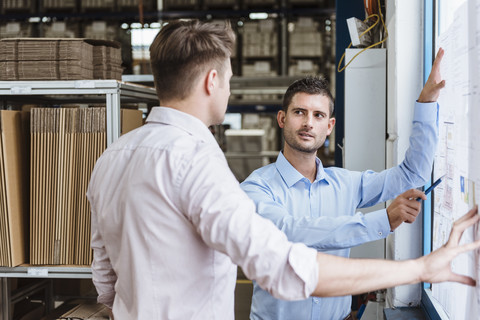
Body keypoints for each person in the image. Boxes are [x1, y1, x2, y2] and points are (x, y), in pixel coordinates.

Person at [86, 20, 480, 320]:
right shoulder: (199, 164)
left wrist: (426, 105)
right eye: (227, 79)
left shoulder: (111, 158)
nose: (228, 88)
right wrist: (418, 268)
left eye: (318, 115)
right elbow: (285, 264)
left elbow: (104, 281)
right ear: (211, 81)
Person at [239, 49, 446, 320]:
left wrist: (427, 103)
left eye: (318, 115)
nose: (308, 123)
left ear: (329, 126)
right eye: (299, 112)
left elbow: (411, 174)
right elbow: (291, 233)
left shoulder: (346, 183)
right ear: (282, 119)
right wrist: (383, 220)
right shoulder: (256, 188)